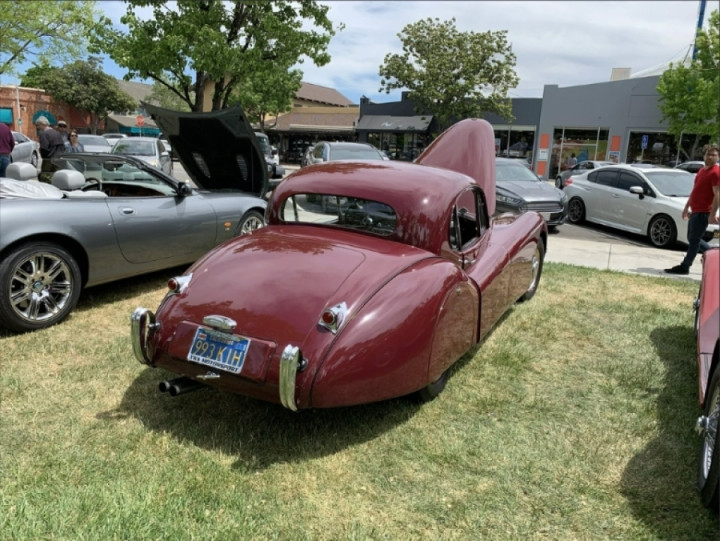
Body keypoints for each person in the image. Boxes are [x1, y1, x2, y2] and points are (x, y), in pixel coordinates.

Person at [665, 143, 720, 275]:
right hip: (695, 211)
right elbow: (695, 191)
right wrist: (686, 207)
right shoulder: (702, 171)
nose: (710, 157)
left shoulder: (716, 173)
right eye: (708, 154)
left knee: (694, 240)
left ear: (718, 157)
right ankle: (713, 254)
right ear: (704, 155)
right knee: (692, 238)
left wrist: (712, 214)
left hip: (703, 212)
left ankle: (685, 266)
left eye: (714, 155)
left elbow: (717, 194)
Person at [36, 116, 66, 183]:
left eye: (38, 125)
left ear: (42, 124)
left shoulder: (44, 134)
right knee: (57, 178)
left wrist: (42, 154)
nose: (38, 127)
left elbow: (44, 148)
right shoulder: (57, 133)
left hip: (48, 160)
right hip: (58, 159)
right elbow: (63, 147)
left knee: (45, 178)